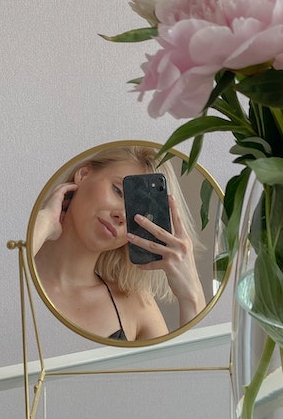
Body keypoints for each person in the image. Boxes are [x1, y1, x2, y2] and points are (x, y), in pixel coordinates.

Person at [32, 145, 206, 342]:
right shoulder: (9, 274)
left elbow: (187, 370)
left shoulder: (135, 304)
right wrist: (44, 222)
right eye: (118, 191)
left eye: (136, 212)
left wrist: (191, 293)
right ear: (83, 174)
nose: (122, 215)